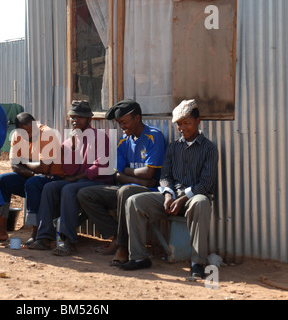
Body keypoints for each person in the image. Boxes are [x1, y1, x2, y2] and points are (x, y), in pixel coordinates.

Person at [119, 99, 219, 279]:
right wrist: (167, 195)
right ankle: (139, 257)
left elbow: (206, 184)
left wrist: (183, 198)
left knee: (201, 203)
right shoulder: (173, 148)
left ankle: (197, 262)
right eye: (179, 124)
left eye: (187, 123)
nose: (182, 128)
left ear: (198, 121)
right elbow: (165, 177)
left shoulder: (209, 149)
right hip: (171, 197)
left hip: (194, 198)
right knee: (134, 202)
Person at [77, 99, 166, 266]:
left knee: (125, 190)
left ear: (137, 118)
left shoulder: (154, 136)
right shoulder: (123, 140)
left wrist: (128, 173)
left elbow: (150, 173)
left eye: (124, 122)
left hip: (150, 191)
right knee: (86, 194)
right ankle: (116, 236)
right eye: (119, 123)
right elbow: (117, 174)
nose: (122, 126)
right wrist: (135, 177)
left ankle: (123, 248)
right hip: (129, 188)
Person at [28, 101, 115, 255]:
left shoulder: (100, 137)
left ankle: (68, 241)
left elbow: (100, 167)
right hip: (79, 181)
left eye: (80, 117)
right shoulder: (69, 142)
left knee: (68, 189)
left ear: (89, 119)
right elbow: (69, 170)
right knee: (49, 187)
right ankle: (44, 238)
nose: (75, 121)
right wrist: (74, 147)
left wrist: (76, 177)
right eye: (72, 118)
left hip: (99, 182)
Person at [0, 112, 65, 244]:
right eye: (26, 133)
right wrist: (31, 172)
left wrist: (24, 162)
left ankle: (36, 233)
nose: (30, 136)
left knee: (32, 183)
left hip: (55, 178)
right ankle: (0, 231)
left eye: (32, 132)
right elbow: (14, 165)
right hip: (33, 176)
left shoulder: (48, 134)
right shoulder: (17, 136)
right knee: (2, 181)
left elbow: (44, 169)